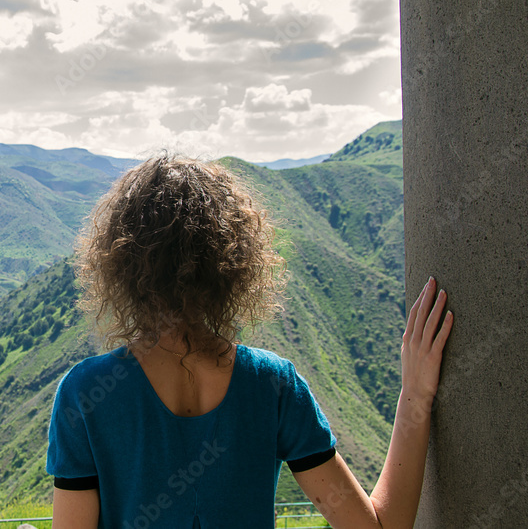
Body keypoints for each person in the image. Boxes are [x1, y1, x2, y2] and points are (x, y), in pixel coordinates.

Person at [46, 153, 453, 528]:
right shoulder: (272, 384)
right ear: (232, 261)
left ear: (120, 266)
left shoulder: (85, 394)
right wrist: (416, 395)